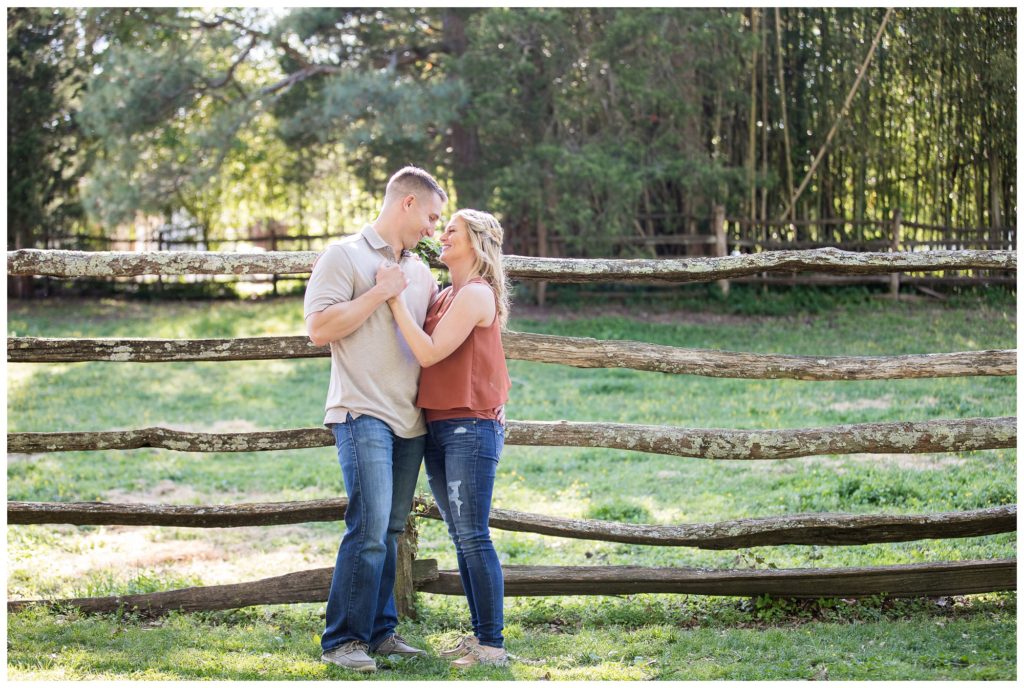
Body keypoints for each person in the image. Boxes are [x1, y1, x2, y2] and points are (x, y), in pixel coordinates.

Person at [303, 166, 446, 673]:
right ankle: (342, 641)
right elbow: (318, 328)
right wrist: (379, 292)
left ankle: (381, 632)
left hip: (411, 419)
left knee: (388, 531)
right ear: (406, 204)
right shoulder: (345, 255)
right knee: (366, 528)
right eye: (430, 216)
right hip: (361, 410)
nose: (433, 228)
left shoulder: (424, 273)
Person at [376, 208, 512, 668]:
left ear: (475, 242)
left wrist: (392, 300)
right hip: (440, 425)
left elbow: (431, 353)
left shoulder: (475, 295)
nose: (442, 235)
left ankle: (491, 646)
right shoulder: (445, 294)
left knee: (473, 536)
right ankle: (480, 639)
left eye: (451, 230)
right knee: (461, 534)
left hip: (470, 427)